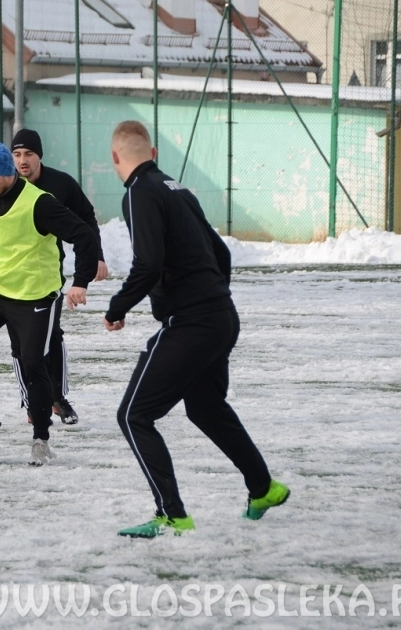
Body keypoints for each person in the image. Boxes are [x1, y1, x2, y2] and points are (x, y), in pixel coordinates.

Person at [104, 121, 288, 537]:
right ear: (153, 153)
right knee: (205, 407)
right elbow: (219, 250)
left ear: (117, 157)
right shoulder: (177, 188)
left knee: (134, 415)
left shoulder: (138, 192)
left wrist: (118, 307)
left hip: (192, 323)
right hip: (221, 316)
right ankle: (263, 488)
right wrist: (213, 296)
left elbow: (148, 263)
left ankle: (172, 515)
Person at [0, 142, 100, 465]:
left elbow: (83, 235)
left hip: (35, 296)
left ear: (6, 174)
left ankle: (41, 440)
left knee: (32, 363)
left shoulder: (39, 203)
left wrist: (81, 282)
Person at [1, 128, 109, 425]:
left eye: (29, 154)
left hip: (47, 276)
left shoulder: (60, 185)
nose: (23, 160)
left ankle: (57, 399)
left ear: (39, 156)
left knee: (51, 336)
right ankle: (31, 405)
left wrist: (95, 256)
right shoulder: (4, 185)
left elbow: (86, 219)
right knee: (20, 345)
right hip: (9, 280)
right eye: (18, 154)